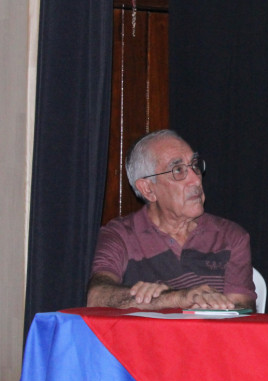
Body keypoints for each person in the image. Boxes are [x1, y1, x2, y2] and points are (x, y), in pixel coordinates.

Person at [87, 129, 256, 311]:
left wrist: (202, 304)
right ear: (148, 189)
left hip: (209, 338)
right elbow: (97, 297)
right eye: (178, 170)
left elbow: (243, 310)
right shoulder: (121, 234)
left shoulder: (230, 236)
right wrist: (177, 298)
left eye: (194, 165)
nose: (196, 180)